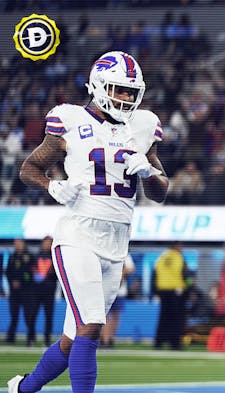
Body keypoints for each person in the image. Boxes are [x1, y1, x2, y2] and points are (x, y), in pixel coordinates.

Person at [8, 51, 169, 393]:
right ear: (97, 86)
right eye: (117, 89)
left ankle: (23, 389)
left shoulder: (142, 126)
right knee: (92, 325)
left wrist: (149, 172)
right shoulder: (69, 119)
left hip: (117, 242)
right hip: (78, 233)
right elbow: (28, 168)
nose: (125, 97)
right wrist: (53, 186)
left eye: (130, 92)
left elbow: (160, 192)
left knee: (72, 339)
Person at [153, 242, 189, 350]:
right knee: (176, 318)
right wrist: (187, 289)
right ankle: (175, 342)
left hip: (162, 290)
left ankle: (159, 342)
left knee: (163, 317)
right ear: (177, 246)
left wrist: (156, 290)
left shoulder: (162, 257)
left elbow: (155, 274)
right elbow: (186, 275)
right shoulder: (179, 257)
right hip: (176, 291)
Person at [100, 254, 135, 348]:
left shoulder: (124, 255)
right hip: (105, 289)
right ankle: (105, 339)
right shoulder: (104, 253)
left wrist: (121, 273)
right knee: (104, 315)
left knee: (115, 317)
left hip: (119, 291)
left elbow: (131, 268)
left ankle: (110, 338)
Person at [5, 238, 35, 345]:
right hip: (14, 293)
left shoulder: (30, 256)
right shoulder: (12, 256)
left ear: (23, 244)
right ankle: (10, 338)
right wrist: (12, 282)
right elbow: (7, 272)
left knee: (28, 316)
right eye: (15, 244)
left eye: (19, 243)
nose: (17, 245)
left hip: (26, 292)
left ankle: (30, 337)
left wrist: (21, 281)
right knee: (14, 316)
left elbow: (30, 273)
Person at [30, 236, 58, 347]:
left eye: (49, 243)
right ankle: (30, 338)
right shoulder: (36, 256)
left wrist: (50, 276)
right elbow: (30, 272)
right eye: (45, 243)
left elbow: (58, 275)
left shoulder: (55, 258)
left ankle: (47, 339)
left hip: (49, 292)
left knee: (49, 316)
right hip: (36, 292)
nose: (47, 245)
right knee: (32, 315)